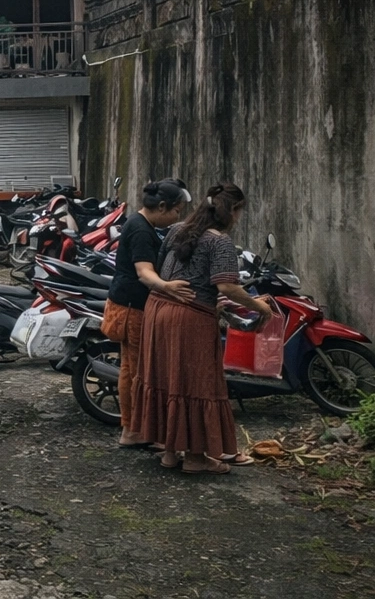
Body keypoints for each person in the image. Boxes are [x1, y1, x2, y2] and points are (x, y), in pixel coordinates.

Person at [129, 182, 273, 475]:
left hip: (158, 310)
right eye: (239, 212)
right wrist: (260, 306)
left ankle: (170, 453)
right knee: (197, 383)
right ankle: (195, 457)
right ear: (233, 210)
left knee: (168, 379)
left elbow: (165, 268)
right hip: (189, 318)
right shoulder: (220, 242)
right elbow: (227, 286)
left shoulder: (176, 230)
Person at [104, 179, 195, 447]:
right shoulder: (141, 231)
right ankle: (134, 431)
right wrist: (168, 287)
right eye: (176, 211)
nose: (177, 217)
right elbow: (144, 273)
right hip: (132, 308)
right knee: (137, 372)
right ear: (162, 206)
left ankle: (133, 429)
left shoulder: (139, 223)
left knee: (131, 368)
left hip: (127, 303)